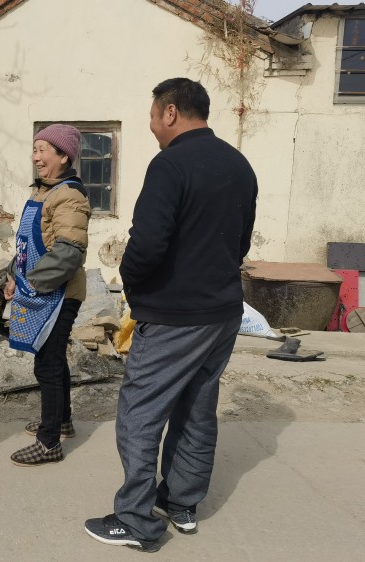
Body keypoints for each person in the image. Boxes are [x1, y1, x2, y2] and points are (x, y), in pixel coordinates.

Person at [84, 78, 258, 552]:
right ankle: (182, 502)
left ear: (171, 113)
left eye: (152, 117)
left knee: (140, 412)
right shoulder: (239, 164)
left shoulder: (170, 164)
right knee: (197, 408)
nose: (152, 126)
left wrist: (134, 284)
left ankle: (136, 520)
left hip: (175, 315)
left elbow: (147, 244)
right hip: (222, 312)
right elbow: (241, 242)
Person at [4, 123, 90, 466]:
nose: (35, 157)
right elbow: (27, 245)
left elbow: (69, 252)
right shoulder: (43, 192)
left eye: (43, 150)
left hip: (60, 292)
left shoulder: (69, 196)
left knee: (48, 363)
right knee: (53, 358)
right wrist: (15, 275)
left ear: (64, 156)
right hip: (44, 288)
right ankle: (62, 420)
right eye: (35, 149)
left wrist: (32, 283)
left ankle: (49, 441)